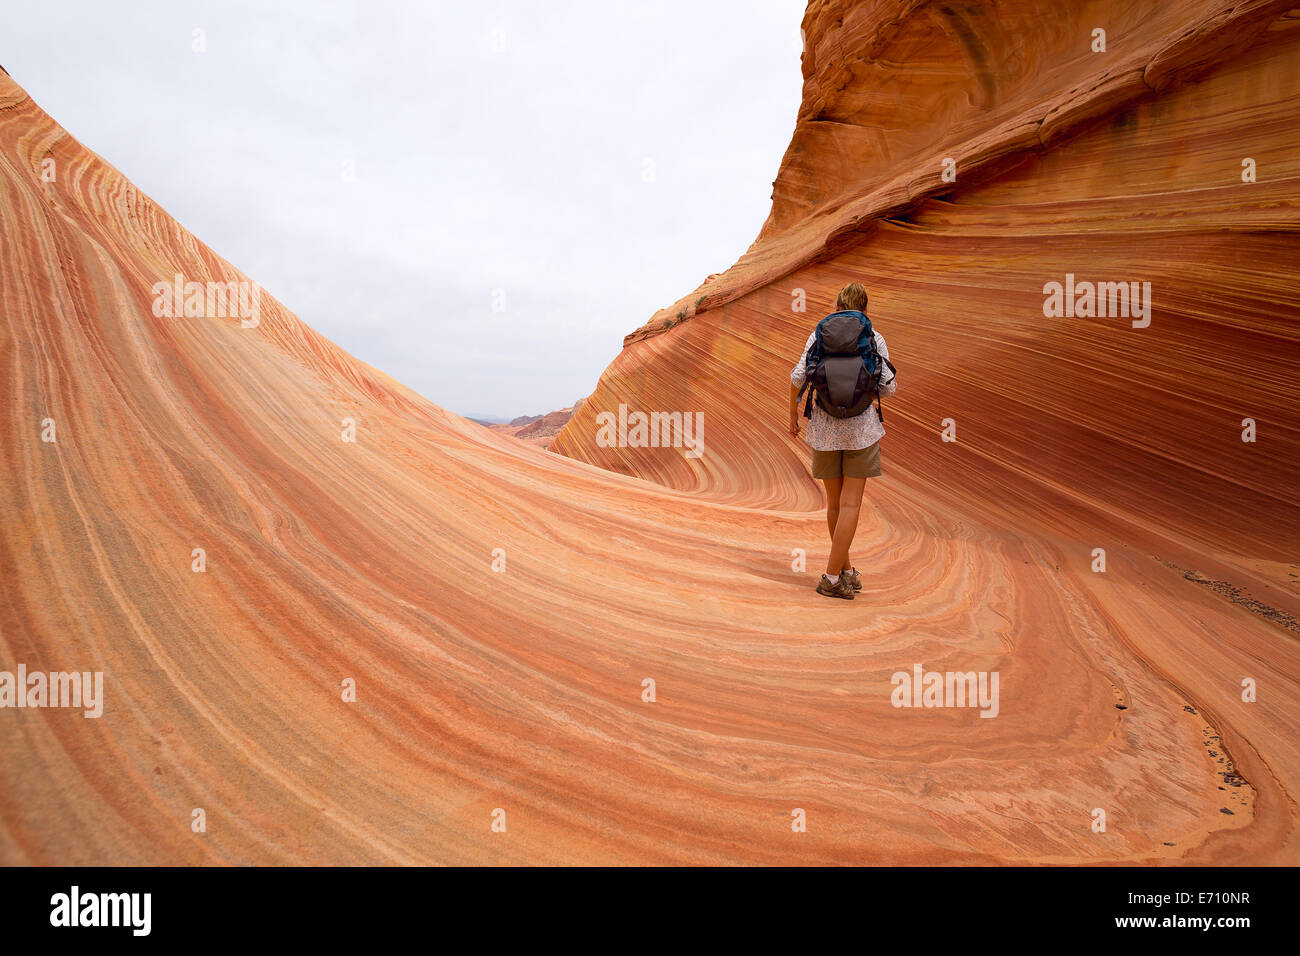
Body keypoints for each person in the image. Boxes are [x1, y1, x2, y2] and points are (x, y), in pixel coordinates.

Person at [788, 282, 896, 600]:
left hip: (823, 428)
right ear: (865, 309)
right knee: (851, 504)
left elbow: (796, 376)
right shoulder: (873, 338)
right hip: (861, 429)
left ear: (836, 307)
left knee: (834, 504)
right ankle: (832, 576)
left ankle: (845, 571)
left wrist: (792, 416)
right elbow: (889, 386)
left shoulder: (819, 334)